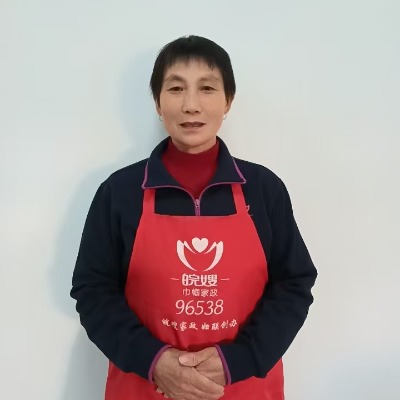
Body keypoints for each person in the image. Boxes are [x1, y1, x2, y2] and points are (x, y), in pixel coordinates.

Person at [71, 35, 317, 400]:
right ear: (158, 103)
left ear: (228, 100)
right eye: (175, 89)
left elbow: (294, 283)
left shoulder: (263, 190)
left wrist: (237, 360)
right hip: (146, 387)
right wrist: (155, 361)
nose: (191, 105)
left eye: (207, 88)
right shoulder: (120, 192)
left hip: (242, 388)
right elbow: (93, 290)